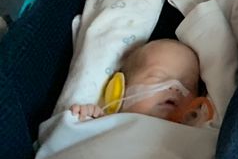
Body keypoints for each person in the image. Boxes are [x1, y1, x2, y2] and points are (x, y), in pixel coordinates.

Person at [70, 39, 210, 125]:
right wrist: (88, 116)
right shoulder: (105, 122)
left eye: (187, 85)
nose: (175, 88)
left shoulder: (192, 134)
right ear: (119, 89)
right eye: (158, 77)